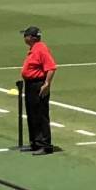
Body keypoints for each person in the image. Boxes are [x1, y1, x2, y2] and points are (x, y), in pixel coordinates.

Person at [19, 25, 59, 154]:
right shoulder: (34, 48)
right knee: (32, 114)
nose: (24, 38)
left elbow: (51, 67)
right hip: (30, 85)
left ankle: (45, 145)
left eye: (26, 35)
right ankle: (35, 143)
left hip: (38, 85)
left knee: (40, 114)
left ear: (31, 37)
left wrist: (47, 84)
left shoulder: (41, 49)